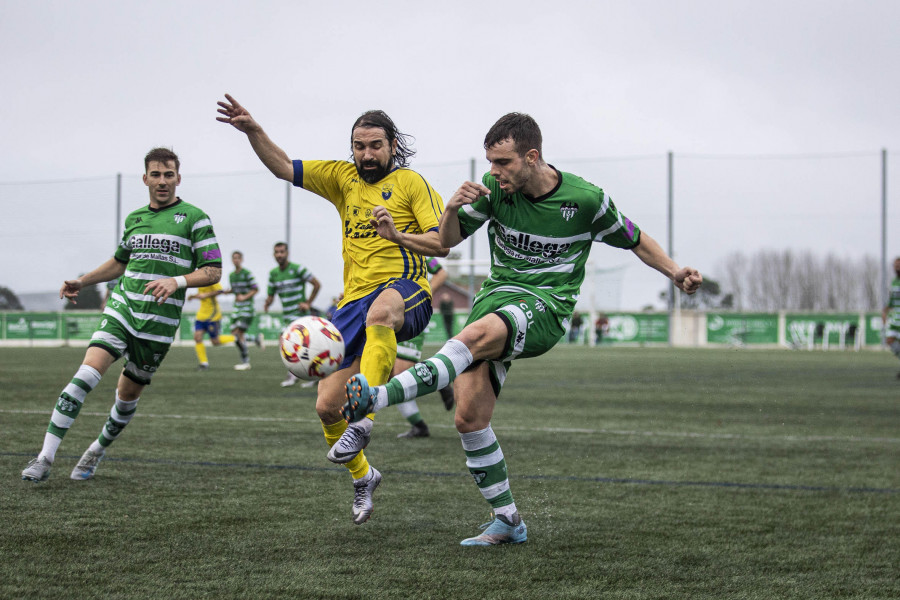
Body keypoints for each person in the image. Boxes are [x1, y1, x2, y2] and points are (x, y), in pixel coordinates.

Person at [341, 113, 702, 545]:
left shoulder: (585, 200)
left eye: (503, 162)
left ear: (532, 157)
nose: (493, 172)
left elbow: (636, 238)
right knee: (469, 418)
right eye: (490, 162)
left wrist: (675, 272)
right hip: (496, 299)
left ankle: (373, 400)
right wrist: (439, 215)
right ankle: (508, 521)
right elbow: (443, 243)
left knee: (470, 339)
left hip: (545, 307)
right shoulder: (494, 191)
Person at [217, 95, 447, 524]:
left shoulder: (413, 184)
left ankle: (366, 419)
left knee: (381, 314)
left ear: (392, 145)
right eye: (359, 146)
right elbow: (285, 167)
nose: (366, 153)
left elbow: (441, 243)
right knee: (326, 405)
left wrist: (395, 234)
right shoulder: (342, 178)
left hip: (405, 290)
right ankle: (364, 476)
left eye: (375, 145)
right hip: (351, 304)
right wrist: (253, 131)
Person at [22, 147, 222, 483]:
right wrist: (82, 280)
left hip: (158, 326)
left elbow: (213, 271)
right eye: (156, 174)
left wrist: (176, 281)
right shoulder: (134, 219)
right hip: (123, 309)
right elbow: (120, 262)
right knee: (86, 374)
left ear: (178, 178)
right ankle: (45, 457)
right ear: (145, 178)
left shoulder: (195, 218)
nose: (162, 181)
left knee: (127, 397)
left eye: (168, 174)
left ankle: (96, 450)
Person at [394, 257, 455, 438]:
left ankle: (440, 380)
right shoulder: (383, 247)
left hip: (410, 315)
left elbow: (442, 273)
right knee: (391, 375)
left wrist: (420, 296)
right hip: (388, 314)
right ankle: (419, 426)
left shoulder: (417, 246)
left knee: (399, 375)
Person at [264, 241, 322, 386]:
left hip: (300, 314)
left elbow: (316, 284)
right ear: (273, 254)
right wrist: (267, 303)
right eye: (277, 252)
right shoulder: (273, 274)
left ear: (287, 253)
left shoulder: (297, 269)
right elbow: (271, 295)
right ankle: (300, 374)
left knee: (293, 344)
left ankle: (305, 375)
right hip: (287, 315)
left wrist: (308, 303)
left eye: (282, 252)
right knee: (287, 346)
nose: (279, 255)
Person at [226, 250, 264, 370]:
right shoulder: (231, 276)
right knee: (235, 334)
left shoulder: (247, 273)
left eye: (238, 258)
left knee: (238, 334)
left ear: (241, 260)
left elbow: (255, 289)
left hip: (247, 308)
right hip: (237, 309)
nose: (236, 260)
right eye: (234, 258)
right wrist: (229, 291)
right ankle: (256, 339)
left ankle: (245, 362)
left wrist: (244, 297)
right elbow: (235, 289)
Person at [188, 282, 237, 370]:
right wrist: (193, 296)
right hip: (201, 315)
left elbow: (220, 291)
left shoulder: (212, 278)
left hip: (212, 315)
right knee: (197, 337)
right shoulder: (200, 280)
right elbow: (202, 295)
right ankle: (204, 363)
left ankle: (236, 338)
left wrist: (206, 295)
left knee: (215, 341)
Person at [882, 257, 900, 378]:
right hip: (896, 316)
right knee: (889, 340)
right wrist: (885, 311)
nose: (897, 267)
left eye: (898, 265)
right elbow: (892, 300)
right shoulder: (894, 282)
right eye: (895, 265)